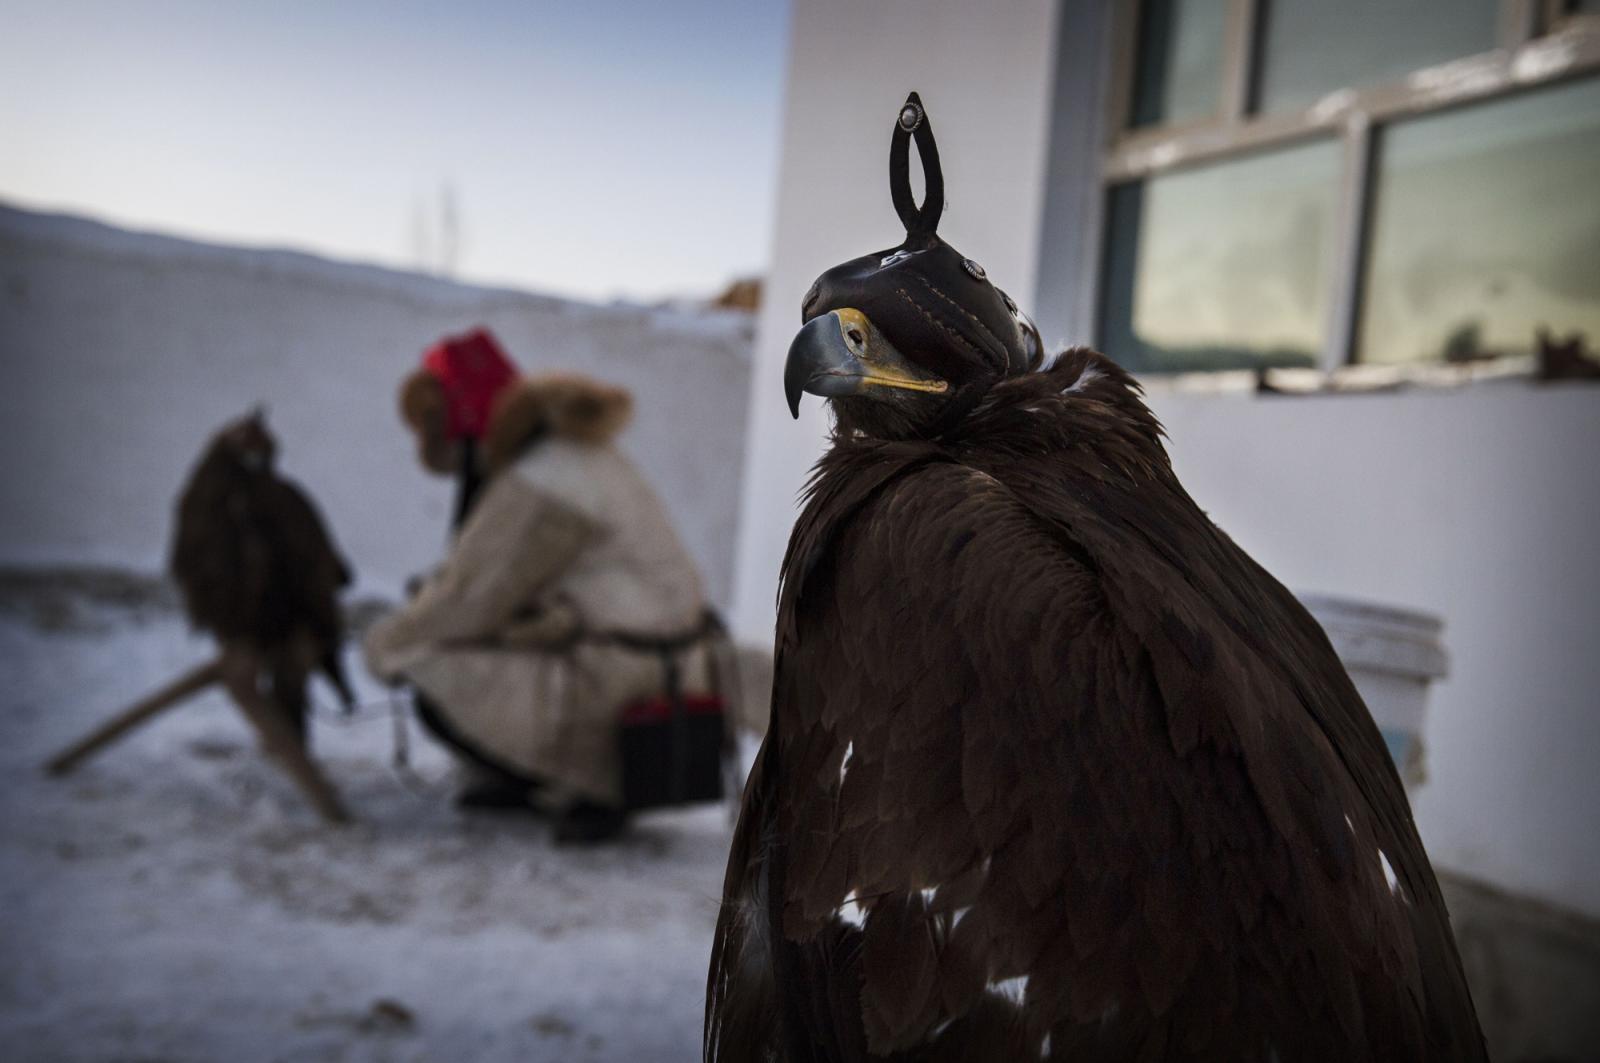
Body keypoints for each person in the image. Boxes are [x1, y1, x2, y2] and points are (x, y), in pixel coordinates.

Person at [365, 372, 721, 842]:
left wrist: (385, 643)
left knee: (426, 665)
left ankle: (585, 788)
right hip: (673, 661)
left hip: (615, 669)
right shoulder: (598, 459)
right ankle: (554, 783)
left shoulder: (540, 479)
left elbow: (468, 601)